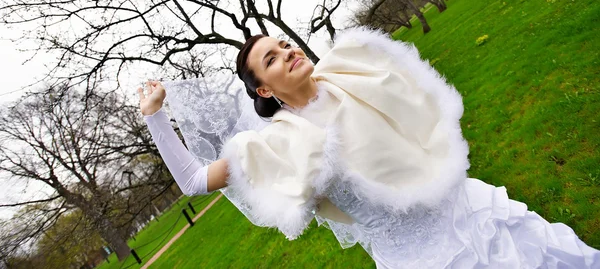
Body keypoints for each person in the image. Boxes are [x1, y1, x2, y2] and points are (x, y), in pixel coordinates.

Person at [139, 27, 600, 268]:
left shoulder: (348, 71)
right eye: (272, 59)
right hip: (421, 259)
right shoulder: (278, 145)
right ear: (263, 91)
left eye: (284, 44)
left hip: (470, 208)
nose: (287, 51)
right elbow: (195, 180)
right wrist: (155, 117)